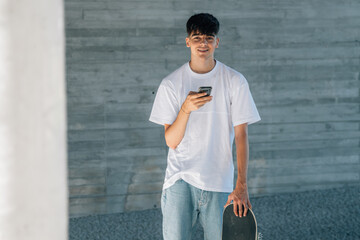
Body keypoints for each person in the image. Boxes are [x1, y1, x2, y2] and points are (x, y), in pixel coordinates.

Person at [149, 13, 261, 240]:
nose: (203, 43)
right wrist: (185, 109)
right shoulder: (171, 84)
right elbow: (171, 141)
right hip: (179, 180)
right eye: (197, 37)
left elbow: (241, 135)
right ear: (187, 41)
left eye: (209, 38)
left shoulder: (234, 80)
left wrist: (241, 185)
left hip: (220, 182)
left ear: (217, 42)